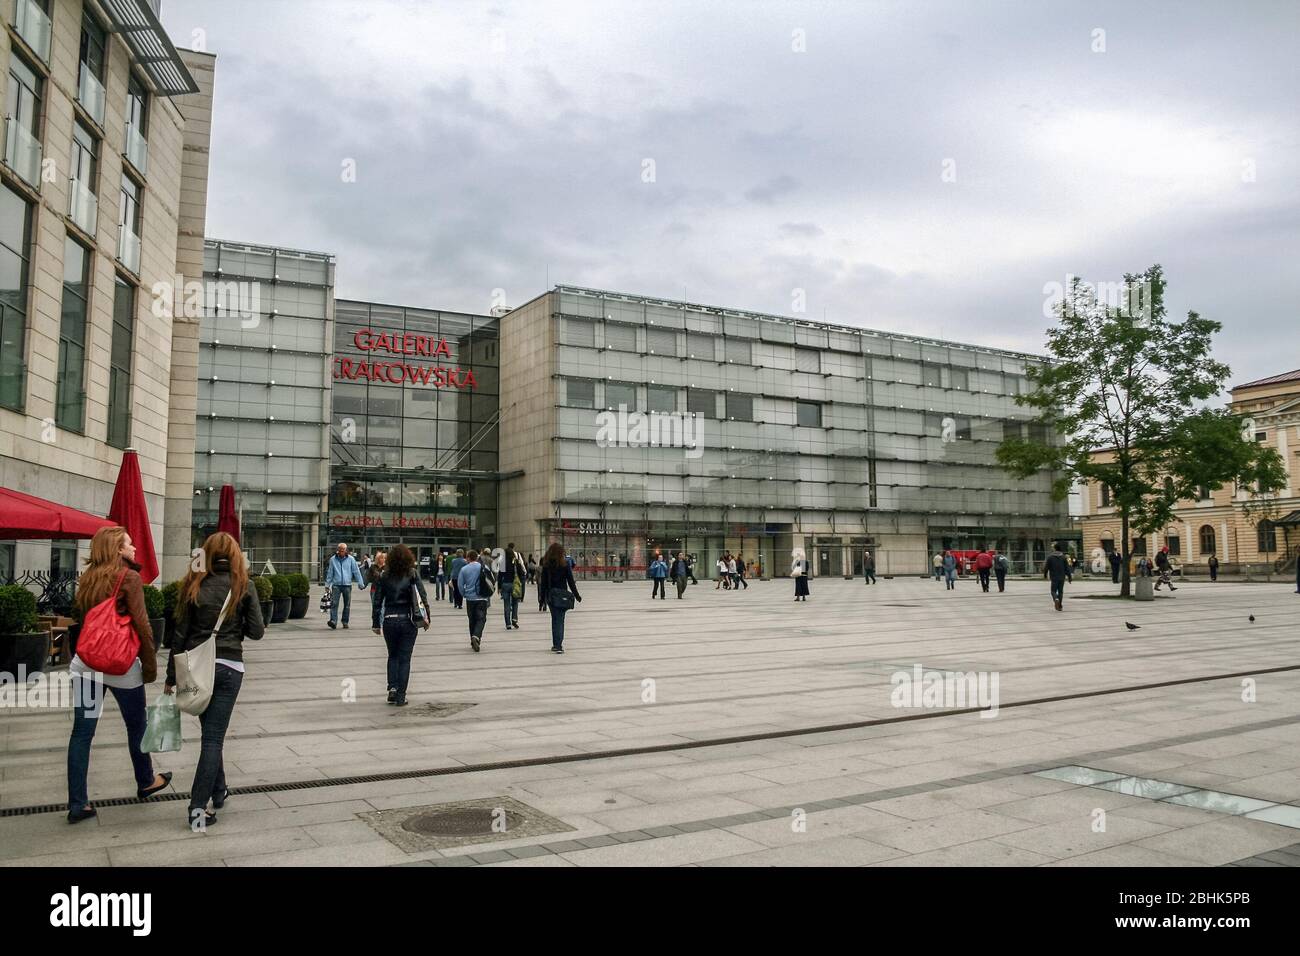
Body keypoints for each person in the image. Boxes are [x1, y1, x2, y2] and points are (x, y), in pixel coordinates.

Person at [65, 526, 171, 824]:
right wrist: (150, 667)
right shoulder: (129, 577)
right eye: (129, 543)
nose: (134, 547)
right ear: (117, 549)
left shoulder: (87, 578)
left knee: (81, 733)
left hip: (85, 665)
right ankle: (146, 780)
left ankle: (77, 804)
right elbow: (143, 625)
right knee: (137, 725)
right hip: (120, 666)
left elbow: (81, 617)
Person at [166, 531, 264, 829]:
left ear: (205, 554)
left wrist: (171, 676)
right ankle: (198, 807)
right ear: (235, 555)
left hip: (196, 667)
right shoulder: (243, 585)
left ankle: (218, 791)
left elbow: (179, 635)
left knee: (210, 732)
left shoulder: (193, 584)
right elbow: (257, 631)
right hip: (229, 667)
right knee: (213, 738)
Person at [371, 544, 428, 707]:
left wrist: (376, 622)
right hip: (407, 620)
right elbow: (422, 597)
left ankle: (392, 689)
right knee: (405, 659)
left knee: (393, 655)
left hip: (389, 619)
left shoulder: (384, 575)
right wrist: (426, 618)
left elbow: (377, 601)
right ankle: (401, 696)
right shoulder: (412, 574)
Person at [539, 542, 581, 653]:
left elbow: (543, 584)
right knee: (560, 620)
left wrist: (542, 599)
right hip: (563, 596)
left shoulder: (546, 565)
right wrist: (576, 595)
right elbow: (571, 581)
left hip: (551, 596)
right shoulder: (565, 565)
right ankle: (558, 645)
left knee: (555, 620)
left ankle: (556, 644)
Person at [457, 549, 492, 652]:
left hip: (470, 599)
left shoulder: (464, 569)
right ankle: (476, 636)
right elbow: (490, 579)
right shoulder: (483, 567)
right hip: (482, 598)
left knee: (472, 620)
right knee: (481, 619)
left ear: (468, 558)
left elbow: (460, 584)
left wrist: (464, 594)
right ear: (477, 557)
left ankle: (473, 639)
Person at [325, 542, 365, 629]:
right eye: (340, 550)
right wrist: (327, 585)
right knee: (334, 604)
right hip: (336, 585)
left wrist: (361, 583)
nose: (342, 552)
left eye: (343, 550)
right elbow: (330, 572)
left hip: (347, 585)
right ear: (338, 550)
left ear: (346, 550)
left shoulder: (351, 559)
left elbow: (356, 571)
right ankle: (333, 621)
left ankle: (345, 621)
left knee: (347, 604)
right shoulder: (333, 559)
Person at [499, 543, 527, 629]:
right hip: (515, 585)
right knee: (515, 603)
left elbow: (500, 575)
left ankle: (508, 623)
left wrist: (499, 586)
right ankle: (514, 619)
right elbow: (522, 572)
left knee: (506, 604)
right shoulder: (516, 561)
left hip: (505, 584)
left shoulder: (503, 563)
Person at [1042, 543, 1073, 611]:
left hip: (1054, 577)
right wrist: (1069, 577)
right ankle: (1060, 606)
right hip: (1062, 577)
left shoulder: (1050, 557)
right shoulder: (1064, 557)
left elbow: (1046, 567)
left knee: (1053, 591)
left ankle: (1056, 599)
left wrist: (1045, 575)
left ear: (1055, 549)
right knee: (1060, 591)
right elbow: (1067, 568)